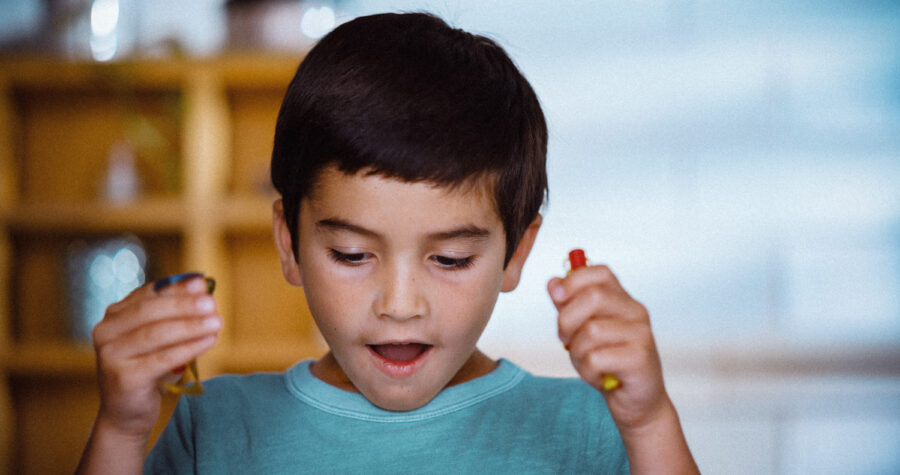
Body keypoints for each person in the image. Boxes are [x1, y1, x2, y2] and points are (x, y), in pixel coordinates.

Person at [77, 12, 698, 474]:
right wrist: (121, 431)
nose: (399, 304)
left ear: (515, 254)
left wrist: (649, 423)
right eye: (351, 254)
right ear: (289, 243)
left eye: (450, 258)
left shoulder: (586, 430)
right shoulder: (214, 426)